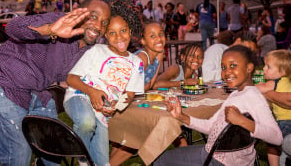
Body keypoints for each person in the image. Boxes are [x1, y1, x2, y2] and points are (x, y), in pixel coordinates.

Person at [0, 0, 111, 165]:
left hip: (39, 93)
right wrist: (50, 30)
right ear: (79, 13)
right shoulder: (58, 20)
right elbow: (12, 27)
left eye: (105, 22)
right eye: (93, 16)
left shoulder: (89, 50)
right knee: (18, 152)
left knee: (53, 150)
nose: (99, 26)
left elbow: (69, 77)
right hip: (5, 83)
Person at [154, 45, 283, 166]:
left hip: (218, 160)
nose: (227, 72)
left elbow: (277, 138)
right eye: (223, 67)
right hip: (219, 155)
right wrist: (181, 116)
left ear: (249, 68)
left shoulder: (253, 97)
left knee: (159, 161)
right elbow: (211, 126)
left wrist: (243, 121)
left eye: (233, 66)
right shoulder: (237, 94)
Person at [63, 0, 144, 166]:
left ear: (130, 31)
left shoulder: (137, 63)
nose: (119, 37)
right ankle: (82, 160)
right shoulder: (96, 50)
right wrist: (92, 92)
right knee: (86, 122)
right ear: (106, 35)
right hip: (79, 97)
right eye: (112, 33)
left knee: (103, 162)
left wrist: (116, 108)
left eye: (123, 31)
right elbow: (71, 78)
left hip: (103, 114)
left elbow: (129, 94)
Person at [109, 21, 166, 166]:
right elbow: (124, 87)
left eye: (161, 34)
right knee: (138, 137)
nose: (159, 39)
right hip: (118, 102)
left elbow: (150, 85)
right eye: (152, 36)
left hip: (128, 101)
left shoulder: (156, 56)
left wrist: (159, 61)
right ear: (143, 41)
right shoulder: (143, 58)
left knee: (124, 141)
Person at [256, 50, 291, 166]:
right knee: (283, 145)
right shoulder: (288, 81)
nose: (264, 69)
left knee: (272, 142)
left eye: (268, 67)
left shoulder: (275, 82)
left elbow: (259, 88)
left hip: (285, 122)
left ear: (282, 72)